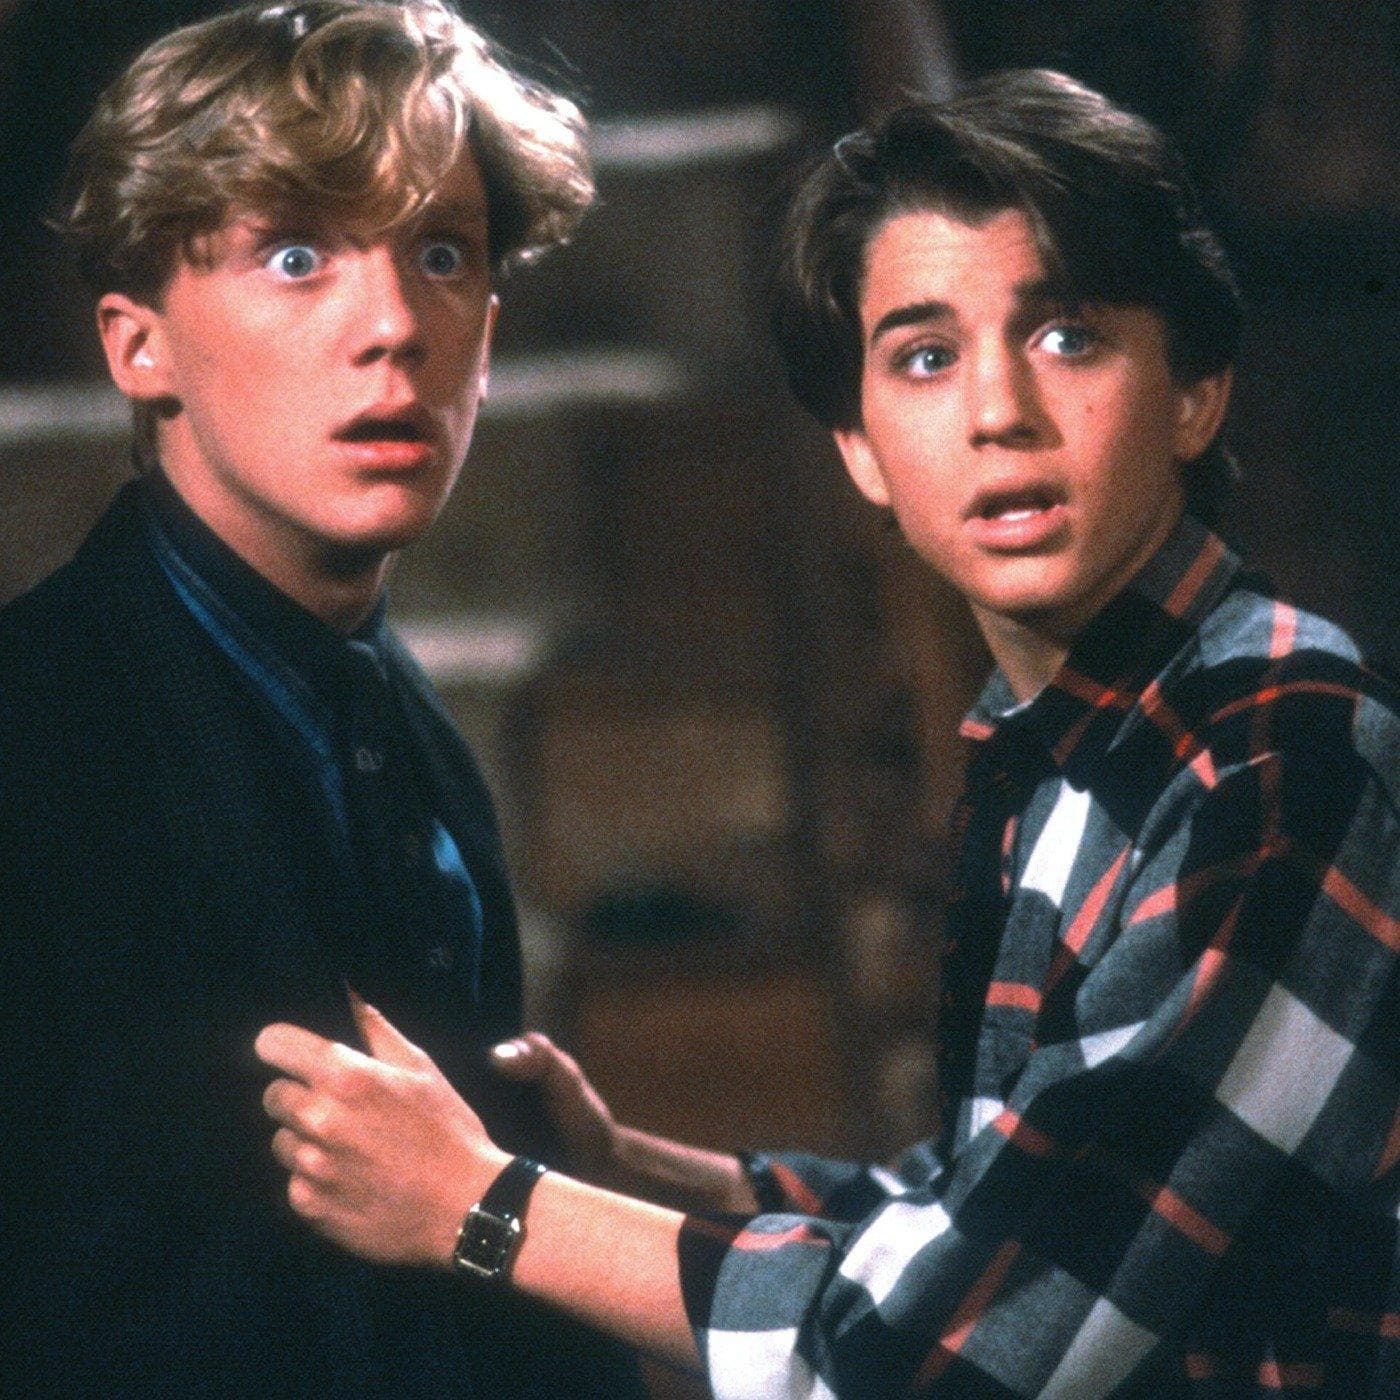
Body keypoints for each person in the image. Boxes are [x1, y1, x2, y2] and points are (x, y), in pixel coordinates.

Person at [254, 70, 1400, 1396]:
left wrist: (484, 1206)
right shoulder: (1070, 734)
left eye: (1068, 337)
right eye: (926, 357)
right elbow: (988, 1203)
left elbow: (965, 1350)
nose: (999, 413)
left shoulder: (1280, 751)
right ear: (860, 448)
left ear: (1195, 392)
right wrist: (627, 1168)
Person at [0, 2, 644, 1395]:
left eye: (442, 254)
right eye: (296, 256)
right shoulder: (34, 742)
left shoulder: (400, 728)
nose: (395, 327)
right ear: (138, 347)